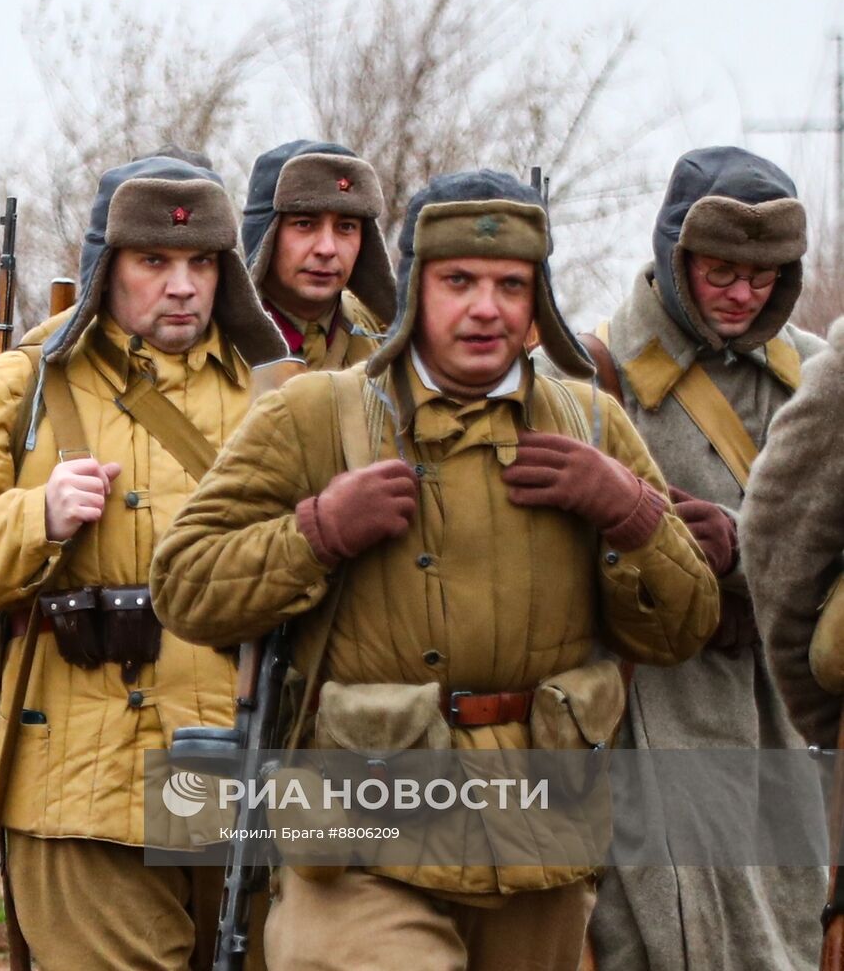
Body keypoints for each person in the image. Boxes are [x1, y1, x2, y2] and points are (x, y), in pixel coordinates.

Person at [150, 169, 720, 971]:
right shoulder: (313, 415)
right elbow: (183, 586)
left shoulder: (591, 424)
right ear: (414, 287)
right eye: (458, 281)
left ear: (536, 300)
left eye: (509, 285)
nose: (486, 308)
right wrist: (316, 532)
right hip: (360, 834)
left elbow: (680, 630)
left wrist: (628, 511)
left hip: (536, 836)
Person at [0, 154, 292, 970]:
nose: (182, 286)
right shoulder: (19, 388)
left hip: (239, 761)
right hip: (85, 779)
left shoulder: (277, 396)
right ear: (106, 267)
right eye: (153, 262)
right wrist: (34, 516)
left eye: (201, 263)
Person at [573, 145, 825, 971]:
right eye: (721, 272)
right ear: (676, 257)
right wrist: (653, 540)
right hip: (644, 703)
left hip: (780, 712)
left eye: (762, 277)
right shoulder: (586, 373)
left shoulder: (818, 376)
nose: (742, 294)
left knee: (782, 932)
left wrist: (740, 544)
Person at [242, 139, 395, 369]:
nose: (327, 249)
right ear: (266, 236)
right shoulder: (213, 344)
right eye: (304, 224)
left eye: (346, 227)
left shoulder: (389, 342)